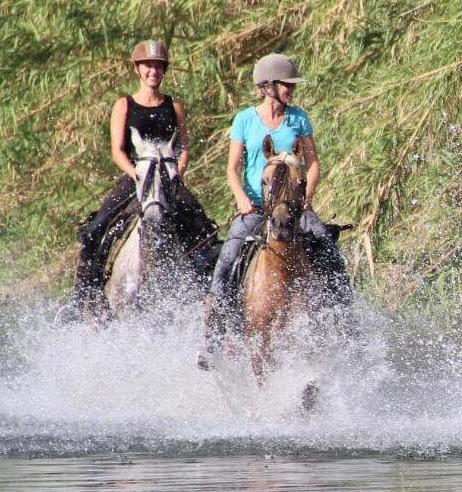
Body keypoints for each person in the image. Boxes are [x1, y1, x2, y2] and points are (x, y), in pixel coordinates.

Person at [199, 53, 349, 364]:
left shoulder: (298, 119)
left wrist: (307, 196)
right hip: (256, 206)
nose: (291, 90)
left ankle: (344, 317)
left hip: (294, 207)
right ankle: (214, 333)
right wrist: (241, 197)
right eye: (286, 84)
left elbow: (314, 162)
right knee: (228, 257)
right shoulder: (244, 120)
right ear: (268, 86)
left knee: (326, 244)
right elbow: (232, 168)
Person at [70, 39, 217, 318]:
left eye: (159, 66)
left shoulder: (174, 106)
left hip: (169, 176)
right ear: (138, 69)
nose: (154, 71)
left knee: (204, 229)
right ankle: (82, 298)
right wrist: (135, 173)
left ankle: (205, 293)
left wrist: (177, 173)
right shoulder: (124, 105)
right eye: (149, 66)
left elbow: (183, 147)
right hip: (136, 175)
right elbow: (117, 150)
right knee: (95, 230)